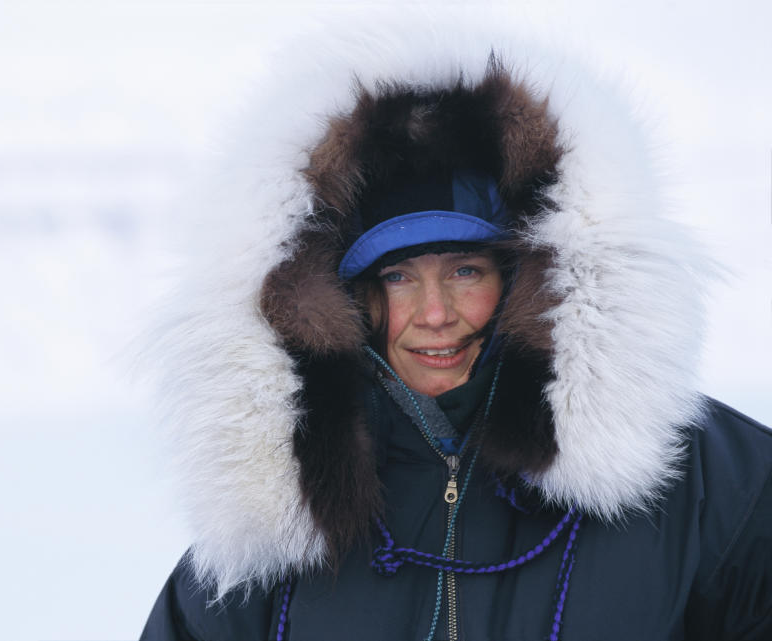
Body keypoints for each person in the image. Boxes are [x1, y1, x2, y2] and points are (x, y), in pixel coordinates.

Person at [140, 19, 772, 641]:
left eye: (466, 270)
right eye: (397, 276)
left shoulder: (713, 488)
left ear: (531, 279)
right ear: (337, 295)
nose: (435, 313)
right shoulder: (276, 525)